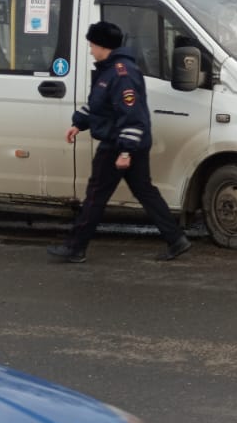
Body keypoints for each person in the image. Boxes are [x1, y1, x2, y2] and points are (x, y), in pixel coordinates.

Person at [48, 20, 192, 264]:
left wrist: (125, 151)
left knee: (95, 196)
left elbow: (132, 116)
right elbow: (99, 105)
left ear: (103, 46)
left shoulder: (121, 73)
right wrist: (78, 123)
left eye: (92, 45)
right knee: (145, 191)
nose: (91, 50)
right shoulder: (109, 70)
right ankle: (176, 239)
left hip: (119, 144)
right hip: (125, 143)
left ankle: (75, 248)